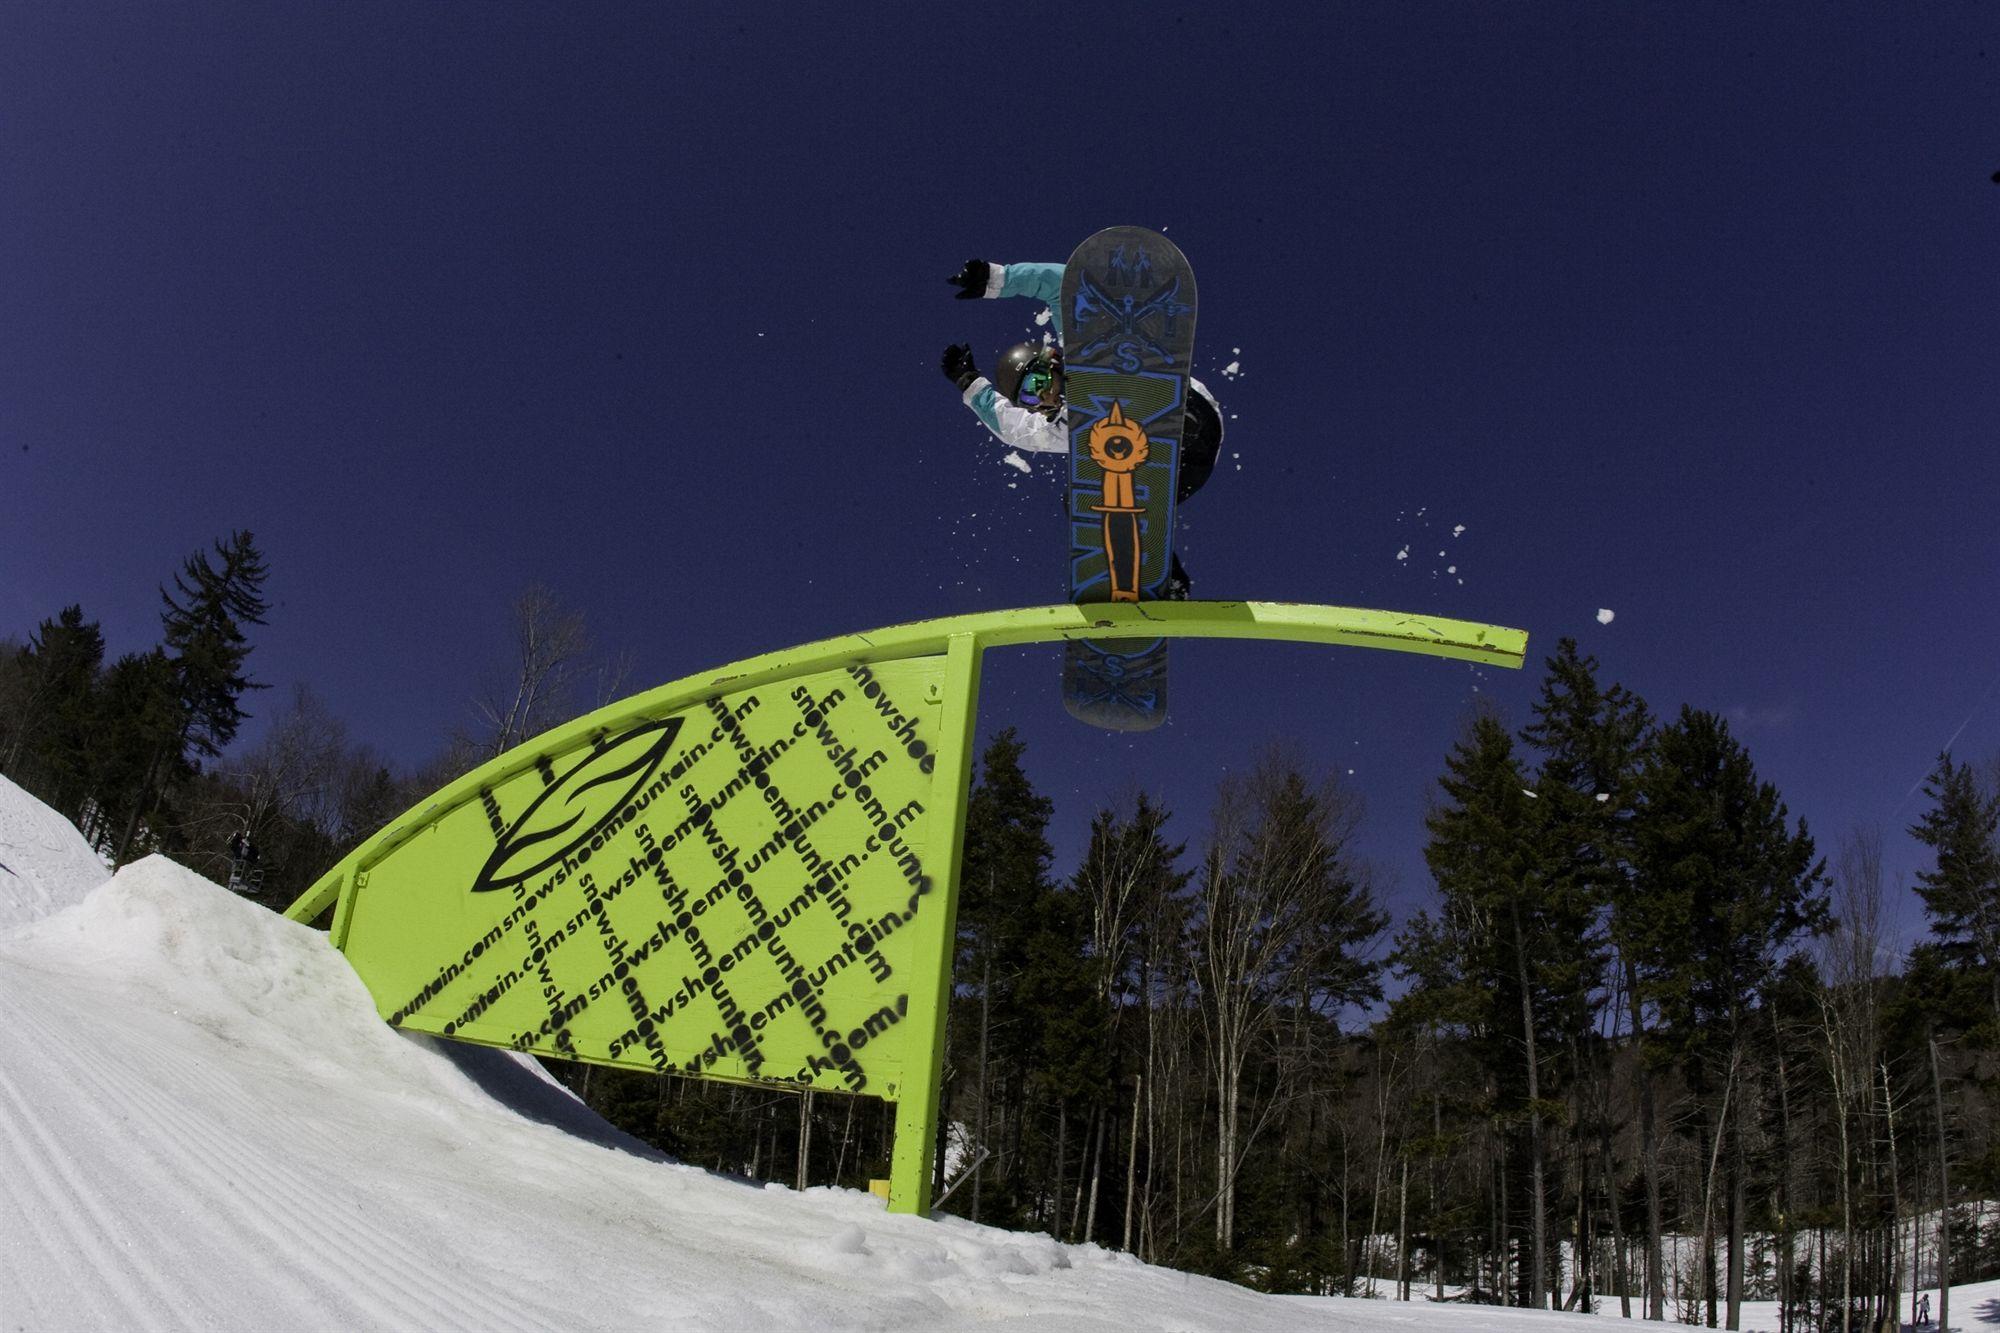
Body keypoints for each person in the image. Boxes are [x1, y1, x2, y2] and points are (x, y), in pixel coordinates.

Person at [940, 257, 1224, 598]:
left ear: (1053, 364)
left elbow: (1063, 288)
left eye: (1040, 380)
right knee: (1080, 498)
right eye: (1029, 398)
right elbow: (1012, 428)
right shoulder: (1064, 427)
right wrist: (969, 383)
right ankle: (1160, 581)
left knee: (1107, 404)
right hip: (1180, 472)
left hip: (1190, 421)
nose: (1042, 396)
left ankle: (1166, 419)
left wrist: (996, 278)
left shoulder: (1085, 354)